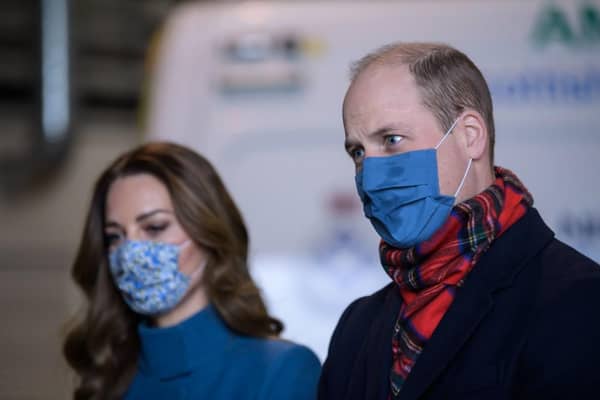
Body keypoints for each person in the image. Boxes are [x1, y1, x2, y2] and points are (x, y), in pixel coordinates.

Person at [318, 42, 600, 400]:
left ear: (470, 136)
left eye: (391, 140)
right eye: (358, 152)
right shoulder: (356, 329)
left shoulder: (577, 302)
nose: (369, 176)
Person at [63, 142, 321, 400]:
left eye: (154, 227)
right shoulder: (106, 378)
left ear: (208, 232)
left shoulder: (281, 370)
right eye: (115, 236)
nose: (131, 252)